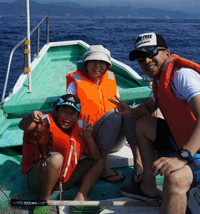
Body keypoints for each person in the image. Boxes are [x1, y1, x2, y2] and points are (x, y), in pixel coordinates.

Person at [109, 32, 200, 213]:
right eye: (140, 57)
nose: (146, 61)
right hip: (182, 137)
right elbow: (150, 105)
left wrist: (181, 158)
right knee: (142, 123)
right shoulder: (159, 81)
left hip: (194, 145)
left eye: (151, 53)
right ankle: (148, 187)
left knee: (175, 178)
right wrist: (132, 112)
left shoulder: (182, 76)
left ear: (166, 53)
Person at [66, 45, 143, 184]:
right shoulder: (75, 83)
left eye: (102, 62)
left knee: (126, 113)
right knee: (115, 115)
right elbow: (66, 113)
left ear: (107, 65)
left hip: (113, 141)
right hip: (88, 141)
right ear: (86, 64)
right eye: (93, 62)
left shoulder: (111, 79)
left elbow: (119, 107)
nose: (97, 66)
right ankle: (101, 166)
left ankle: (138, 162)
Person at [19, 94, 104, 213]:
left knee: (99, 161)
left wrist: (88, 137)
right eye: (64, 111)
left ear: (78, 116)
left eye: (72, 113)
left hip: (64, 180)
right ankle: (44, 199)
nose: (68, 116)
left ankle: (80, 199)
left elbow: (96, 157)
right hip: (39, 179)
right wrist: (31, 117)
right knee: (57, 158)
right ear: (55, 111)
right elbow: (23, 125)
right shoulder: (42, 123)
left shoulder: (80, 129)